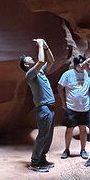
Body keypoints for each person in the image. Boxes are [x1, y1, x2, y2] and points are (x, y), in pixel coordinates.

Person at [19, 38, 56, 172]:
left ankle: (42, 159)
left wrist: (46, 47)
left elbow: (51, 60)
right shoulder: (30, 75)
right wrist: (40, 45)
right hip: (43, 108)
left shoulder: (41, 72)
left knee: (48, 136)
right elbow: (41, 61)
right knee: (43, 136)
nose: (32, 59)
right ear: (27, 65)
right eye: (29, 59)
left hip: (50, 108)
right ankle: (35, 162)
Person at [57, 55, 90, 160]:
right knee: (69, 129)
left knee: (83, 129)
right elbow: (60, 87)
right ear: (75, 65)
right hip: (71, 107)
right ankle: (66, 149)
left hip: (84, 107)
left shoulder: (88, 74)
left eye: (84, 65)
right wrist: (63, 102)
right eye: (80, 65)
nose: (82, 67)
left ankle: (83, 149)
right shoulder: (68, 74)